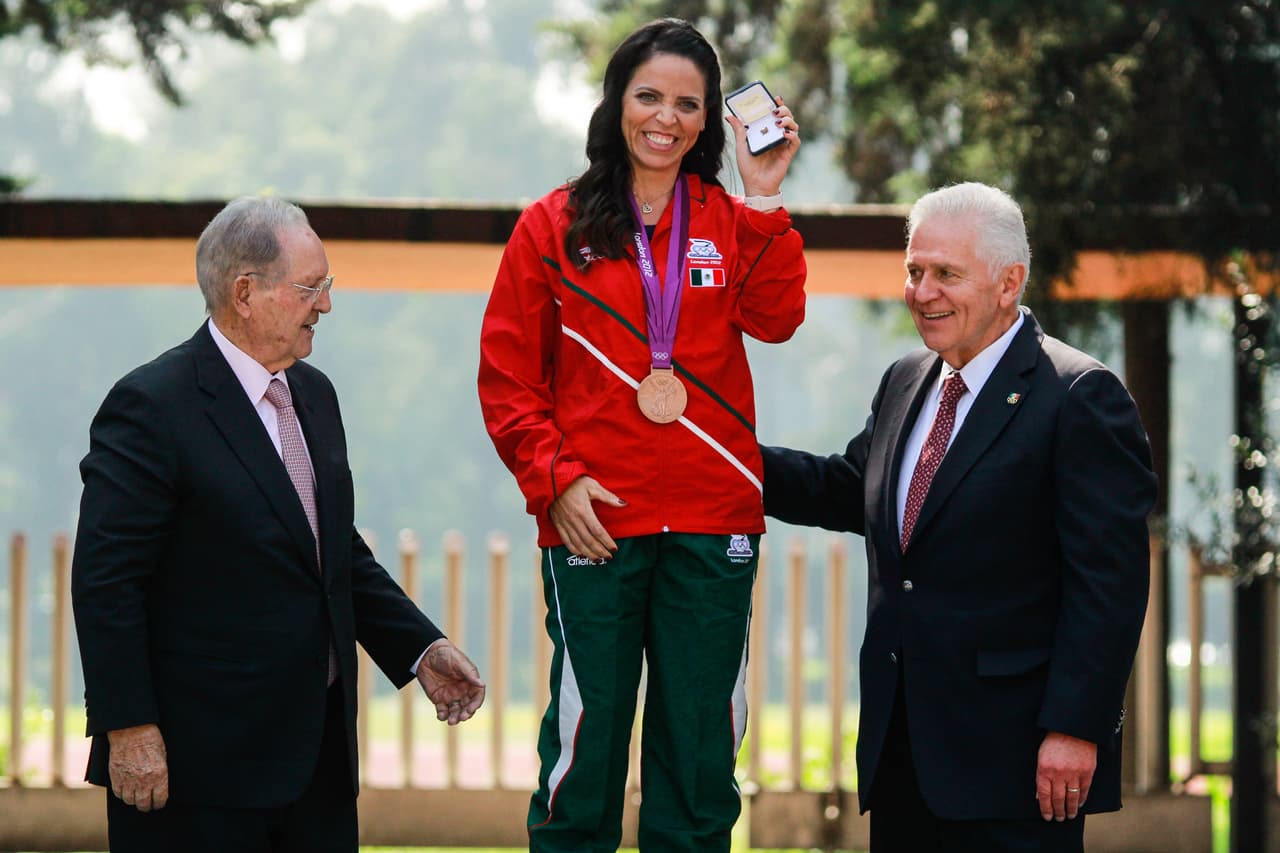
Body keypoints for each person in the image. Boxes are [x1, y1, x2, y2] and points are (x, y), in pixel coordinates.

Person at [477, 17, 805, 852]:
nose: (666, 118)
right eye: (649, 96)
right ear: (617, 101)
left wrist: (765, 195)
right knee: (584, 753)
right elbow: (510, 381)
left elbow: (777, 318)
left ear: (707, 121)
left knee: (698, 760)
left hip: (713, 518)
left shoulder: (730, 219)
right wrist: (555, 480)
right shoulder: (552, 226)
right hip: (595, 519)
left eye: (688, 104)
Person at [71, 196, 486, 852]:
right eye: (311, 287)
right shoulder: (151, 405)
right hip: (197, 771)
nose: (327, 304)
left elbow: (330, 550)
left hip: (318, 765)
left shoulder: (314, 394)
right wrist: (128, 727)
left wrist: (419, 648)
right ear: (246, 292)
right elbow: (106, 582)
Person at [761, 182, 1156, 852]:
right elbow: (855, 490)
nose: (923, 291)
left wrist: (1075, 727)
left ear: (1009, 283)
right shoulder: (906, 378)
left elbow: (1109, 585)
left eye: (946, 273)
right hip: (903, 756)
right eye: (914, 270)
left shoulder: (1079, 395)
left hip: (1017, 762)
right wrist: (729, 459)